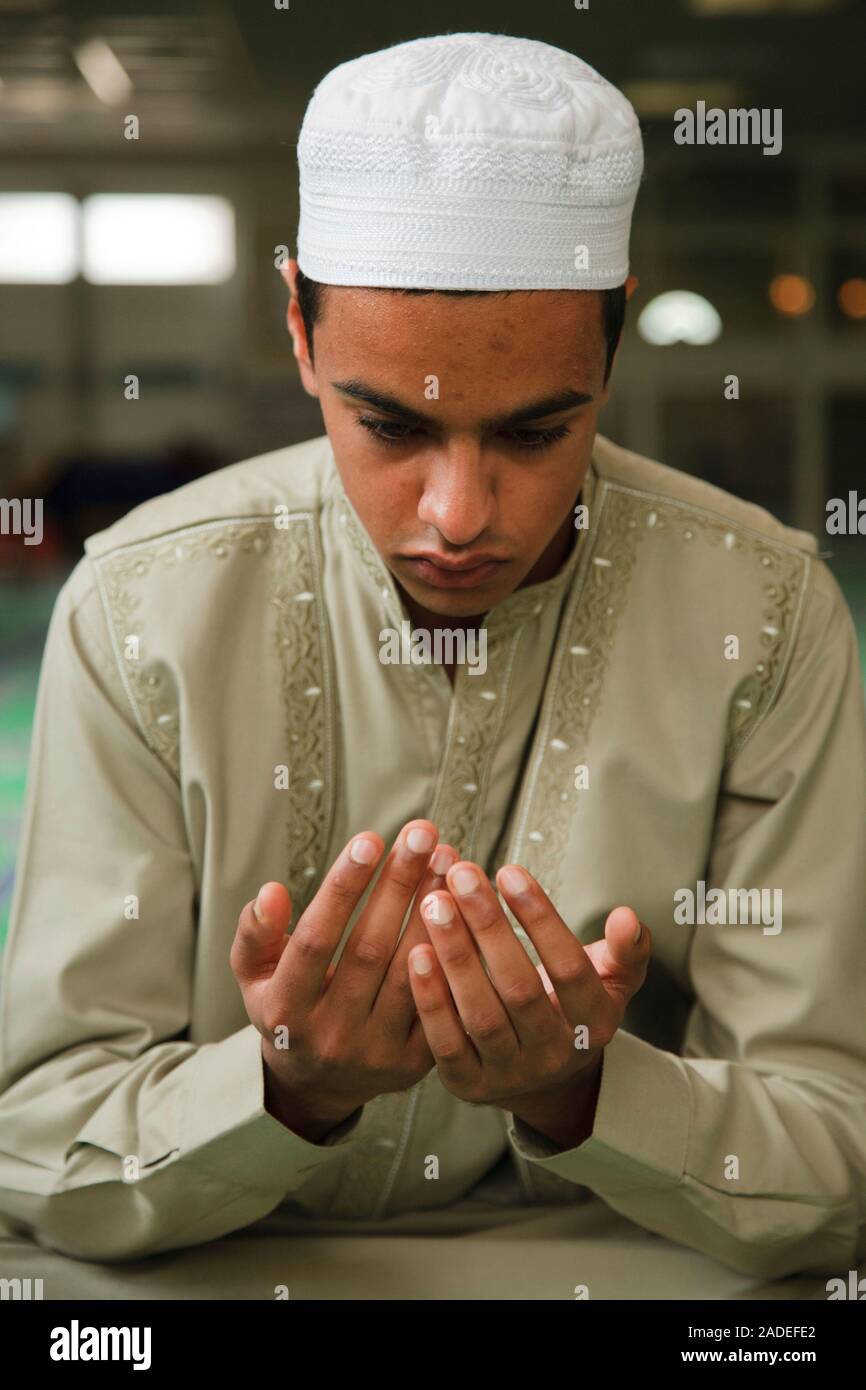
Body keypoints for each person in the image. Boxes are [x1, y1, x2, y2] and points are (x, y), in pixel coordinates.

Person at [0, 31, 864, 1301]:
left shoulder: (766, 612)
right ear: (296, 327)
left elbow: (833, 1159)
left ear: (613, 342)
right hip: (218, 1259)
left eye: (534, 430)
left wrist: (581, 1092)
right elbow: (36, 1147)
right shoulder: (140, 607)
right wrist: (284, 1088)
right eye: (391, 425)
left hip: (614, 1261)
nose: (458, 513)